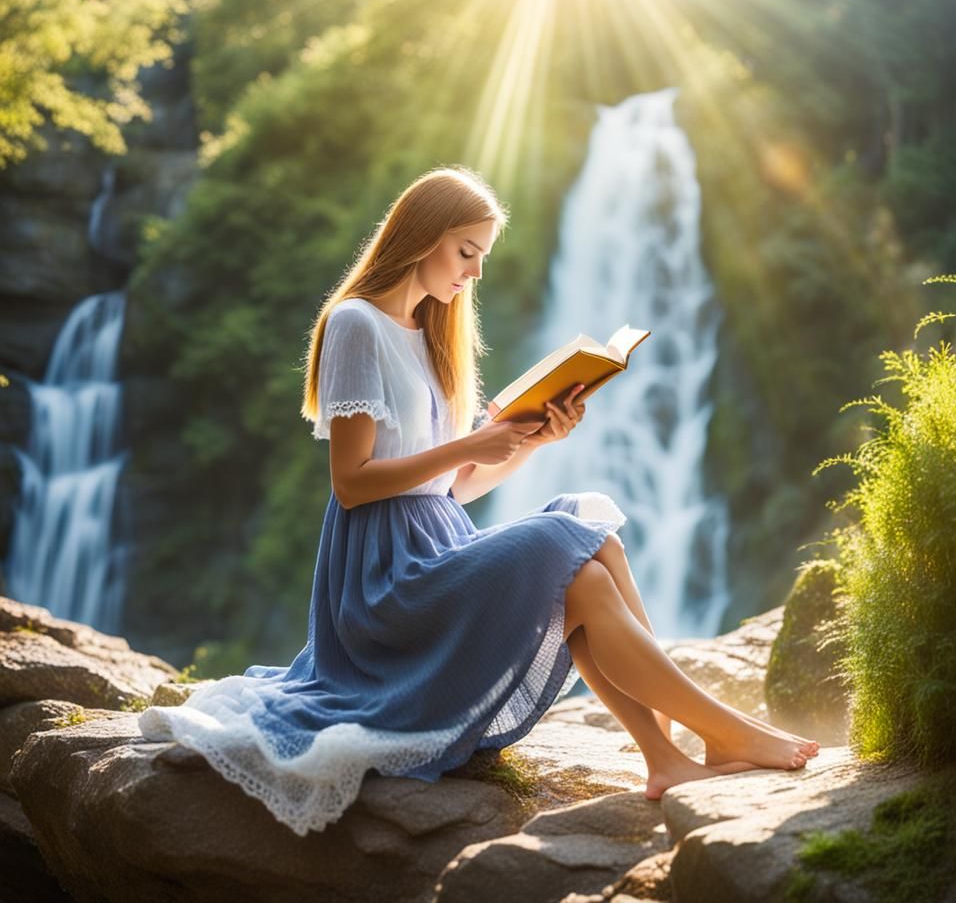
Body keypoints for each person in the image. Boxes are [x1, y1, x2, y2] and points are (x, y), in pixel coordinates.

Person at [138, 165, 818, 837]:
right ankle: (723, 734)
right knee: (563, 551)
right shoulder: (356, 325)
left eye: (482, 256)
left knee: (587, 528)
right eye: (467, 252)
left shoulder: (432, 338)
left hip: (439, 541)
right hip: (386, 579)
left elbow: (452, 489)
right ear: (422, 237)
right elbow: (352, 482)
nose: (476, 273)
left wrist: (528, 441)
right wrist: (472, 442)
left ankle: (666, 753)